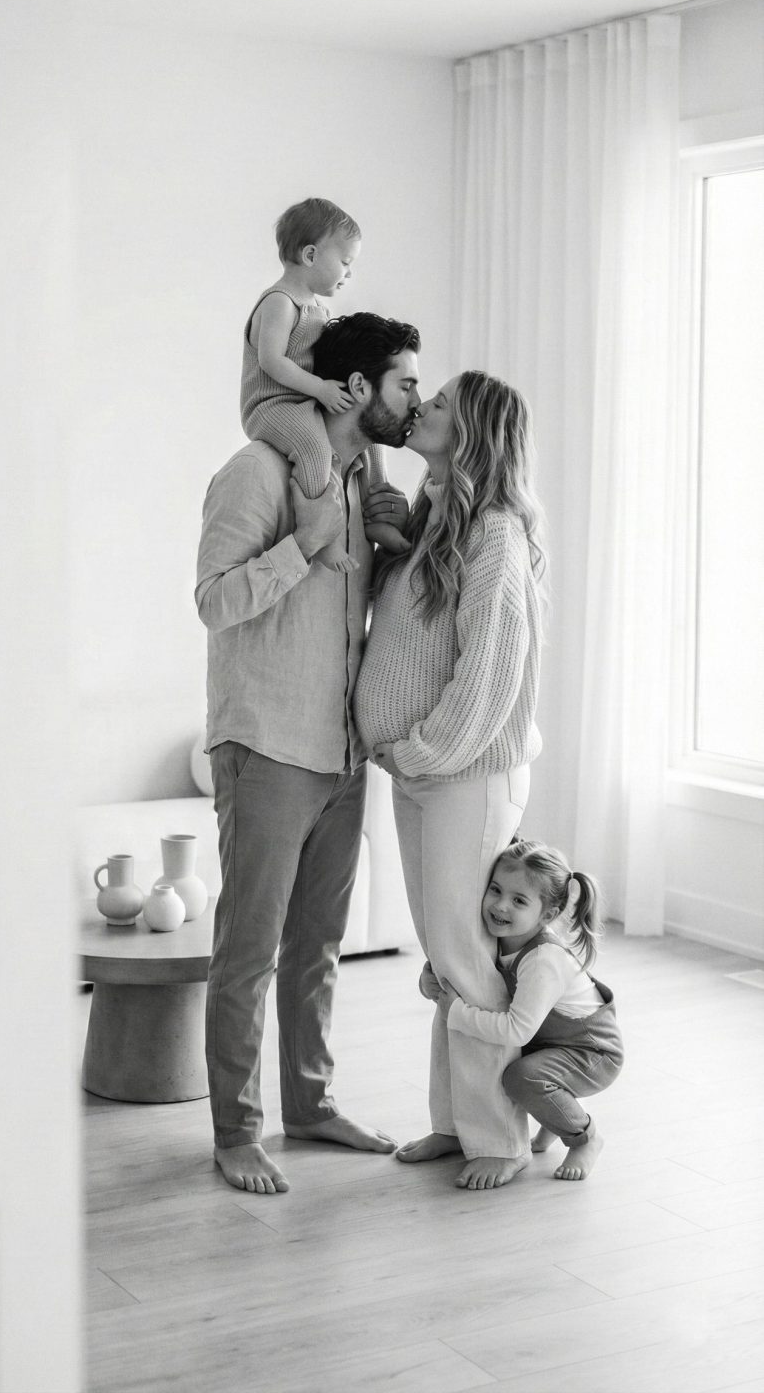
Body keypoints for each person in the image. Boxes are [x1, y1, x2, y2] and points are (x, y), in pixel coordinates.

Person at [196, 311, 422, 1195]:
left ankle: (313, 1106)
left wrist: (396, 542)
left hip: (342, 752)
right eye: (404, 381)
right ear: (357, 388)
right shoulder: (253, 472)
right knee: (249, 949)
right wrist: (302, 548)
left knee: (318, 944)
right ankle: (234, 1132)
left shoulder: (368, 478)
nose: (415, 397)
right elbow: (213, 602)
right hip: (267, 743)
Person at [353, 369, 546, 1190]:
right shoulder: (441, 516)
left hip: (462, 771)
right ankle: (458, 1125)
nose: (422, 407)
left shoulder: (497, 531)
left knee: (469, 959)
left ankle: (501, 1137)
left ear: (470, 432)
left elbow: (490, 672)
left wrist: (425, 751)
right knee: (446, 955)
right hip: (424, 769)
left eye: (438, 406)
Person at [429, 837, 623, 1181]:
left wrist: (456, 1013)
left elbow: (517, 1030)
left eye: (519, 900)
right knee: (506, 1062)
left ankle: (585, 1137)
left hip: (591, 1051)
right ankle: (554, 1114)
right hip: (549, 1039)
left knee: (521, 1077)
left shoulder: (543, 960)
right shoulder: (498, 936)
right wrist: (429, 982)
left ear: (546, 914)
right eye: (495, 890)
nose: (500, 906)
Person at [241, 197, 411, 570]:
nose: (349, 273)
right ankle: (323, 534)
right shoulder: (280, 302)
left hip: (307, 398)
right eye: (346, 262)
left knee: (369, 429)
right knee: (315, 451)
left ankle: (375, 515)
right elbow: (271, 361)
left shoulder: (318, 307)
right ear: (311, 255)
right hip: (274, 405)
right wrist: (319, 389)